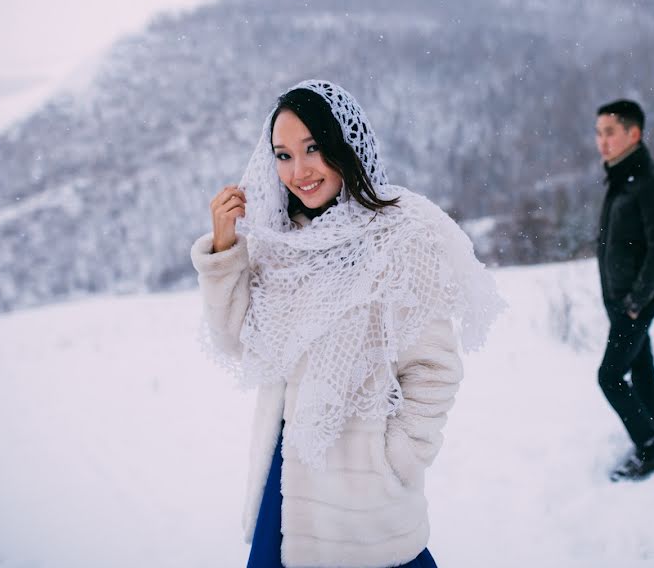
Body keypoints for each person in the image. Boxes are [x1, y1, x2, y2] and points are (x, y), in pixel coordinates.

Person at [190, 80, 503, 567]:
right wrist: (226, 249)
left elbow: (434, 369)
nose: (299, 171)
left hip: (364, 505)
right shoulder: (280, 243)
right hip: (288, 486)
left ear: (346, 145)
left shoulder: (401, 238)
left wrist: (392, 462)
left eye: (313, 148)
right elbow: (235, 341)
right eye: (284, 154)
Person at [593, 99, 654, 482]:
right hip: (620, 299)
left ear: (634, 133)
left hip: (635, 301)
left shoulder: (653, 184)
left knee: (610, 377)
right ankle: (653, 425)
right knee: (641, 363)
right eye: (598, 133)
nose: (602, 141)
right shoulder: (620, 178)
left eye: (610, 132)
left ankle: (649, 448)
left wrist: (633, 303)